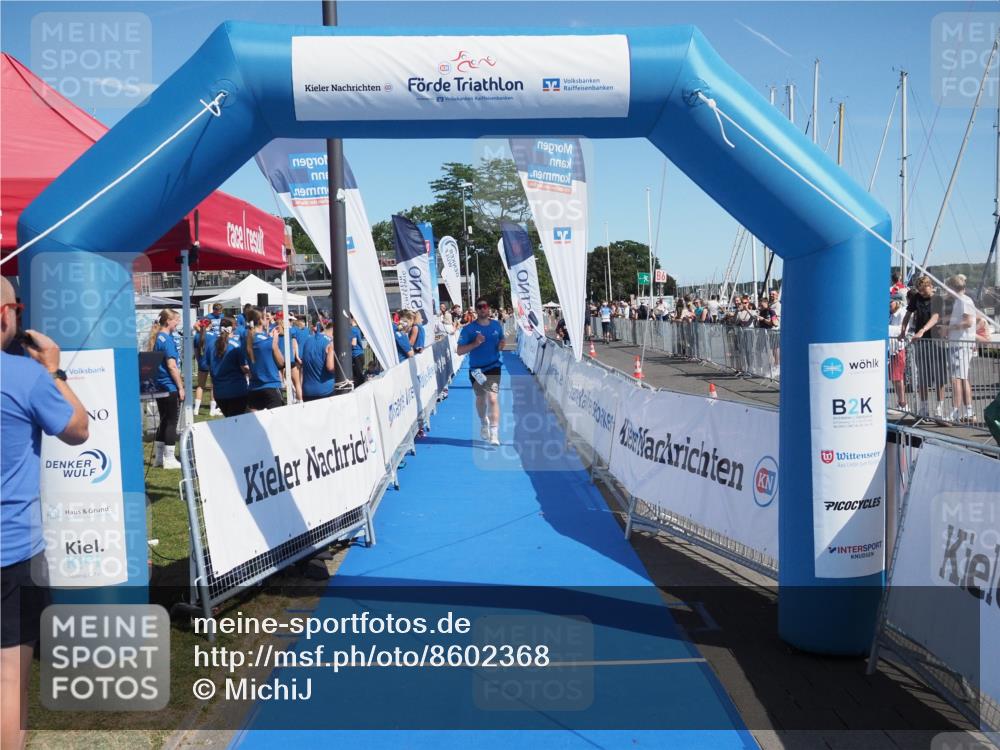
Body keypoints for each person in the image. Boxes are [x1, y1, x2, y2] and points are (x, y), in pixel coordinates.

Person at [1, 278, 89, 750]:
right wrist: (54, 370)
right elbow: (78, 429)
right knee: (9, 681)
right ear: (5, 315)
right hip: (12, 551)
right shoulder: (25, 377)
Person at [456, 298, 505, 446]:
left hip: (493, 366)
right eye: (480, 307)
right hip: (476, 370)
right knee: (481, 399)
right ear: (476, 310)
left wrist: (501, 345)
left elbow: (501, 341)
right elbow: (459, 351)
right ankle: (484, 421)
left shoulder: (496, 325)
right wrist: (475, 343)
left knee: (493, 398)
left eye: (485, 306)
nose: (483, 309)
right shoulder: (469, 329)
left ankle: (494, 433)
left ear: (488, 308)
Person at [898, 276, 946, 418]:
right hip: (921, 342)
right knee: (923, 375)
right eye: (920, 290)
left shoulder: (938, 299)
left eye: (924, 290)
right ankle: (924, 408)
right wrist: (903, 330)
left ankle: (939, 408)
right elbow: (908, 314)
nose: (922, 293)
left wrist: (922, 330)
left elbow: (935, 317)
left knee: (939, 376)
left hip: (937, 341)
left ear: (930, 286)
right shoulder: (916, 298)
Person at [148, 309, 185, 469]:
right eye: (176, 320)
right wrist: (180, 387)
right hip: (168, 385)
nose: (178, 323)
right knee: (171, 421)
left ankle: (159, 459)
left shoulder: (158, 338)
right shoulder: (167, 340)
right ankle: (169, 458)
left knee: (163, 421)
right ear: (168, 321)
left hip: (159, 385)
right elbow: (172, 366)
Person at [943, 274, 976, 423]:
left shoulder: (964, 301)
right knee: (962, 378)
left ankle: (955, 412)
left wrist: (949, 328)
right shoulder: (961, 301)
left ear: (952, 287)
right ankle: (968, 411)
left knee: (956, 379)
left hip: (961, 344)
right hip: (959, 343)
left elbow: (968, 322)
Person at [206, 317, 248, 417]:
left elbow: (209, 364)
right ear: (234, 328)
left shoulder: (211, 344)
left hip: (219, 393)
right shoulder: (236, 346)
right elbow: (244, 368)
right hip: (236, 391)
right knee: (238, 425)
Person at [243, 308, 285, 411]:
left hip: (254, 387)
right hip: (271, 385)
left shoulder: (247, 340)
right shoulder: (269, 342)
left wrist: (270, 338)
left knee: (253, 424)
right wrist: (274, 341)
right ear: (261, 321)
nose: (268, 320)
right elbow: (281, 363)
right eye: (266, 317)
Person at [301, 319, 336, 401]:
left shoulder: (308, 340)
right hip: (325, 391)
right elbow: (330, 367)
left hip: (307, 392)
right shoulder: (330, 342)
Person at [193, 318, 219, 417]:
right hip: (213, 363)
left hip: (202, 363)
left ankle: (196, 409)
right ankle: (212, 410)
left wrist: (200, 361)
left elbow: (196, 353)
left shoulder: (196, 336)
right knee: (214, 386)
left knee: (200, 386)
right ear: (210, 325)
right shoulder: (214, 336)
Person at [888, 295, 908, 411]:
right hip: (892, 348)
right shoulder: (892, 315)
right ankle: (899, 402)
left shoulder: (902, 313)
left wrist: (887, 328)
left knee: (898, 377)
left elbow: (902, 329)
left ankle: (903, 403)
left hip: (898, 348)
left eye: (891, 302)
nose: (889, 305)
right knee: (894, 377)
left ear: (897, 302)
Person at [350, 317, 366, 388]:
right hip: (359, 355)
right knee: (358, 375)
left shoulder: (353, 329)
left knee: (358, 376)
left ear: (352, 319)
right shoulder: (357, 329)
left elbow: (353, 343)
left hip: (356, 355)